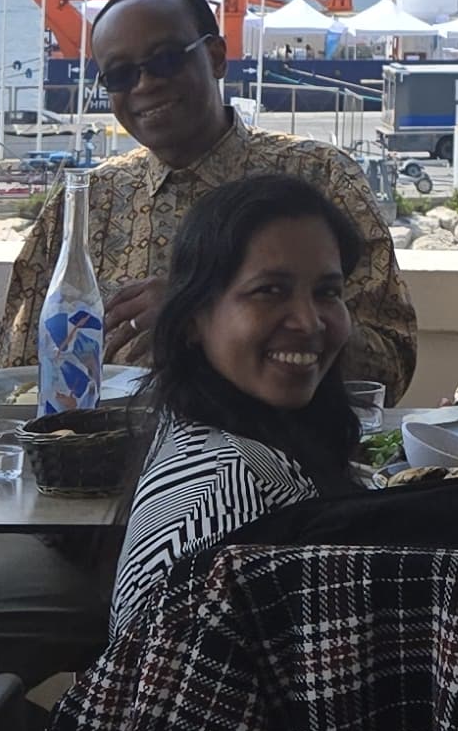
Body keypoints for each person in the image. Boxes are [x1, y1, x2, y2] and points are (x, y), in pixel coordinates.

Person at [0, 0, 413, 392]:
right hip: (105, 443)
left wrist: (199, 312)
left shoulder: (321, 177)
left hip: (272, 441)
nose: (145, 84)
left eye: (166, 60)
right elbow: (16, 374)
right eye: (120, 75)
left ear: (216, 57)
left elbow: (389, 366)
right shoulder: (85, 203)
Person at [103, 173, 374, 642]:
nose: (309, 321)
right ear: (193, 318)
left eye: (327, 292)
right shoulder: (239, 493)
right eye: (269, 291)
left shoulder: (190, 425)